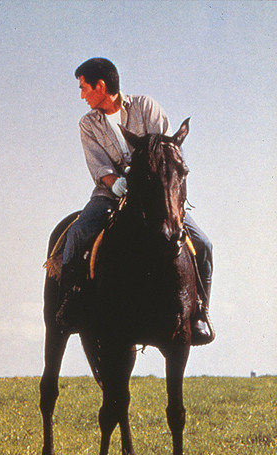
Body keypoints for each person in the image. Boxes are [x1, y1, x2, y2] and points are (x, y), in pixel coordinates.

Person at [59, 57, 214, 345]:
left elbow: (167, 152)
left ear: (101, 85)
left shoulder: (146, 107)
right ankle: (73, 300)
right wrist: (115, 183)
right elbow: (98, 166)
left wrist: (143, 181)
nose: (82, 95)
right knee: (78, 233)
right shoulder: (88, 124)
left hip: (155, 195)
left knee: (204, 243)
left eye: (84, 88)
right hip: (110, 192)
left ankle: (200, 312)